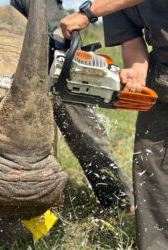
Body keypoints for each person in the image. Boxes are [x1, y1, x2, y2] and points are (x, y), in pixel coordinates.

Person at [10, 0, 145, 211]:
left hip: (60, 72)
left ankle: (121, 200)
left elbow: (61, 30)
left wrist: (82, 19)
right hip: (37, 65)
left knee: (84, 135)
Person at [102, 1, 168, 249]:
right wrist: (136, 73)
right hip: (163, 75)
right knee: (150, 157)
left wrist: (91, 12)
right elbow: (131, 42)